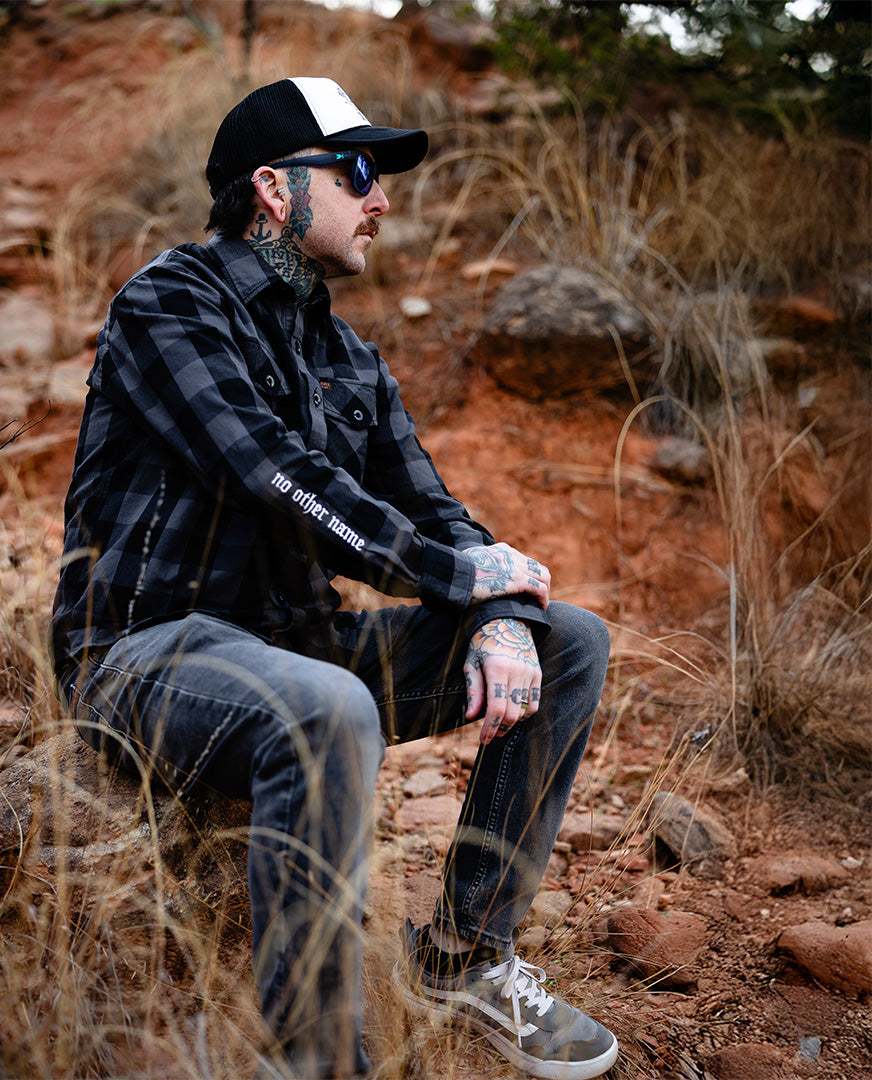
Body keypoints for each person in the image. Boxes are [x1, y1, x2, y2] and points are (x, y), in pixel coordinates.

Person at [51, 76, 618, 1080]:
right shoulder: (169, 303)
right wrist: (460, 573)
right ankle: (315, 1060)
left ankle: (464, 958)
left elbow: (437, 508)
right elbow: (271, 473)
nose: (382, 200)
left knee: (568, 637)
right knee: (327, 710)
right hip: (146, 652)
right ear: (273, 188)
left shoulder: (347, 356)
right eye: (358, 173)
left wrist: (495, 608)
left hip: (296, 644)